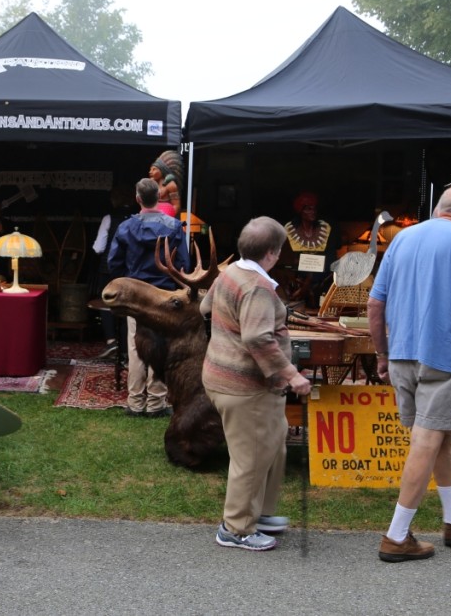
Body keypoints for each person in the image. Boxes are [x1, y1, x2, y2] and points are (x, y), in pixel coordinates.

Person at [368, 186, 451, 562]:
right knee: (427, 442)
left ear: (438, 210)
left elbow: (376, 304)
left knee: (441, 437)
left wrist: (382, 354)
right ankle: (396, 535)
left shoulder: (404, 237)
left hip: (403, 355)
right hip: (445, 355)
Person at [200, 216, 312, 551]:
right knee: (250, 458)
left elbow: (205, 307)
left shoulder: (230, 273)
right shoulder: (257, 287)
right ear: (273, 252)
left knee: (273, 446)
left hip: (224, 378)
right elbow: (257, 338)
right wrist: (292, 375)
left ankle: (258, 514)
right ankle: (235, 529)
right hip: (245, 388)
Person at [107, 177, 189, 417]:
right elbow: (184, 264)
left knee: (135, 346)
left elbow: (114, 264)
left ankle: (135, 402)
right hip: (163, 297)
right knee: (160, 346)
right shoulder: (173, 227)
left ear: (137, 199)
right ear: (159, 198)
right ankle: (155, 403)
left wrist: (128, 281)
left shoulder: (125, 227)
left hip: (136, 296)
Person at [92, 184, 135, 353]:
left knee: (107, 305)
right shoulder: (137, 218)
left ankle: (111, 341)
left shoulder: (109, 218)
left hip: (109, 270)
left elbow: (98, 248)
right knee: (127, 306)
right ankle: (126, 345)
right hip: (130, 270)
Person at [282, 190, 335, 305]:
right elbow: (287, 258)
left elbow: (330, 258)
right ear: (300, 211)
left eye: (314, 208)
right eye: (308, 209)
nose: (313, 212)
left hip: (320, 276)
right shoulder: (290, 229)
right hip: (297, 276)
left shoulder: (325, 228)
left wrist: (308, 282)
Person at [148, 149, 184, 217]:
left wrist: (167, 218)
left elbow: (176, 205)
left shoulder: (170, 185)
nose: (150, 172)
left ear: (162, 170)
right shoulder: (151, 183)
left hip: (166, 216)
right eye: (150, 169)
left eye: (154, 169)